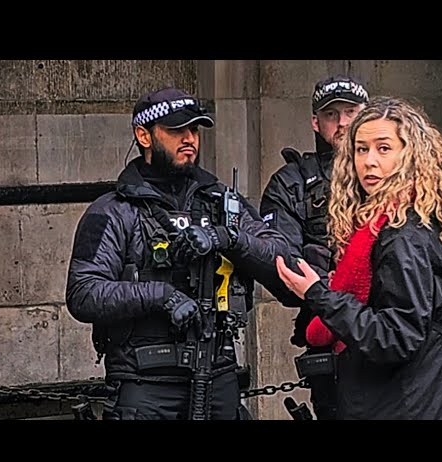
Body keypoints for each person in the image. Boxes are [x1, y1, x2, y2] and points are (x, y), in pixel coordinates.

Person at [66, 86, 292, 420]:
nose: (189, 139)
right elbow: (84, 292)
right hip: (145, 383)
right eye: (176, 130)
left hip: (218, 375)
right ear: (144, 135)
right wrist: (162, 296)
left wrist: (227, 237)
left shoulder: (223, 205)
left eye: (194, 130)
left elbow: (285, 263)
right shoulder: (114, 211)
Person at [275, 96, 442, 419]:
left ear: (411, 154)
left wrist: (319, 294)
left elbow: (396, 337)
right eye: (361, 149)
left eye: (384, 148)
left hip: (423, 403)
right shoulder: (417, 216)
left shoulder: (403, 233)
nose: (369, 161)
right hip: (428, 397)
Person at [259, 75, 369, 420]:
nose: (343, 123)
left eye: (351, 112)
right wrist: (325, 279)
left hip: (394, 330)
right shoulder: (290, 183)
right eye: (332, 114)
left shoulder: (396, 172)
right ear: (315, 122)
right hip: (329, 333)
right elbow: (282, 268)